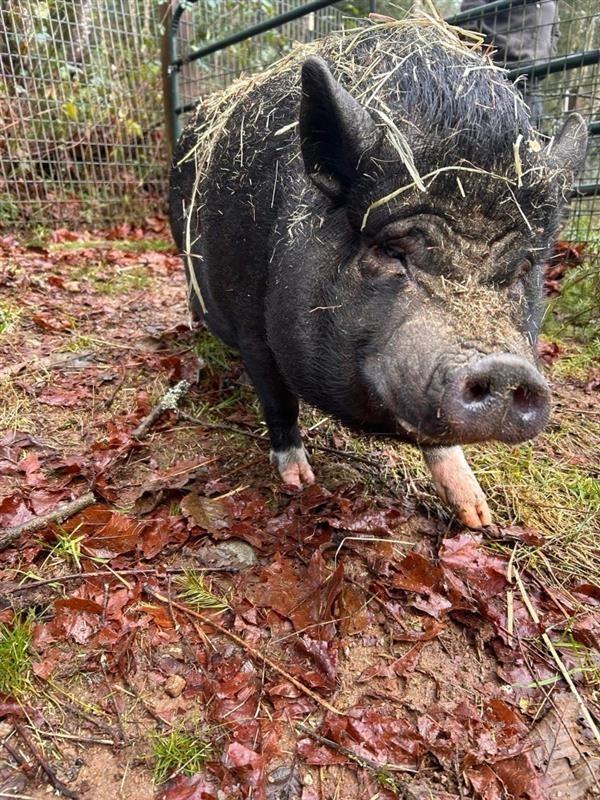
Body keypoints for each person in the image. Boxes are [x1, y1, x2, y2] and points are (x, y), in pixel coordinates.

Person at [459, 0, 560, 125]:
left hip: (532, 83)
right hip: (496, 76)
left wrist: (548, 56)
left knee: (529, 139)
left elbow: (555, 32)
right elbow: (470, 14)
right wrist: (483, 49)